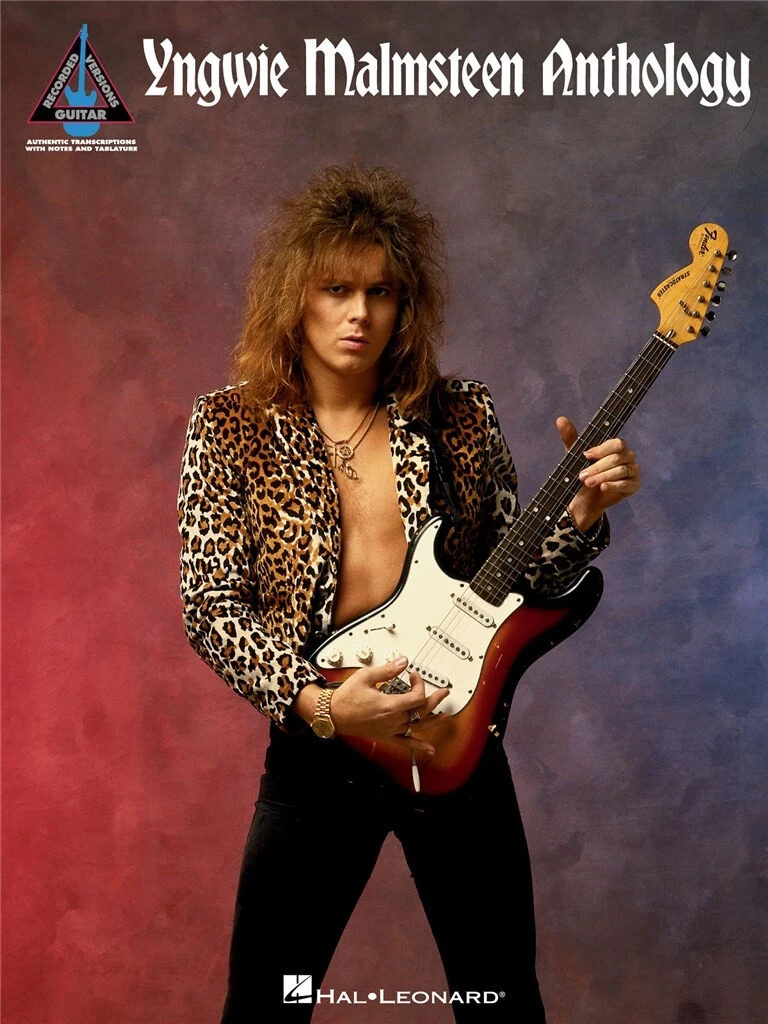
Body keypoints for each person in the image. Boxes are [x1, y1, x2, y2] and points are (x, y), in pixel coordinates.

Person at [177, 163, 640, 1022]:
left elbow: (509, 588)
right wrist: (323, 705)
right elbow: (211, 606)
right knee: (266, 1006)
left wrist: (580, 513)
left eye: (381, 291)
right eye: (337, 289)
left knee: (501, 1001)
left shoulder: (460, 415)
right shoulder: (230, 427)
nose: (359, 312)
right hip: (320, 751)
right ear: (294, 298)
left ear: (406, 304)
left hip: (452, 740)